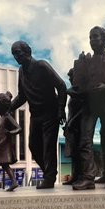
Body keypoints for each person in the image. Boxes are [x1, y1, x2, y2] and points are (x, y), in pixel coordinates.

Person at [10, 40, 68, 190]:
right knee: (33, 146)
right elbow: (22, 96)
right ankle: (49, 172)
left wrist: (61, 109)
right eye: (14, 54)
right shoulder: (21, 72)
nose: (16, 57)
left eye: (18, 52)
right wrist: (9, 107)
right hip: (35, 115)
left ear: (27, 51)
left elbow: (61, 86)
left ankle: (49, 178)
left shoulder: (42, 66)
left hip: (50, 113)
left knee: (48, 147)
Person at [70, 26, 105, 190]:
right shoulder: (87, 61)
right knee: (85, 140)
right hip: (89, 103)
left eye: (96, 37)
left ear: (104, 40)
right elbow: (79, 84)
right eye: (90, 37)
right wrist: (78, 69)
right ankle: (88, 177)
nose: (92, 40)